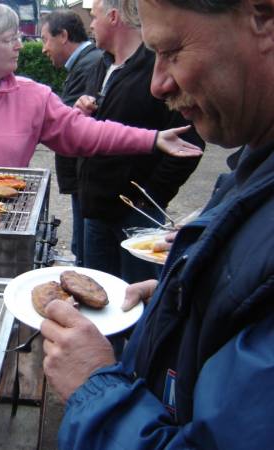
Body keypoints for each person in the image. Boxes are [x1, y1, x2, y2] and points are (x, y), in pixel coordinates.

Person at [41, 0, 274, 448]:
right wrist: (185, 297)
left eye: (171, 50)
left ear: (263, 18)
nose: (158, 83)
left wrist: (94, 387)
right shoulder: (255, 163)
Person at [0, 2, 202, 168]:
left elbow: (85, 133)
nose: (19, 46)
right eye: (9, 39)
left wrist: (151, 139)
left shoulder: (33, 95)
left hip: (3, 218)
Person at [72, 0, 203, 283]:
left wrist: (149, 197)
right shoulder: (100, 64)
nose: (90, 25)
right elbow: (94, 130)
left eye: (94, 17)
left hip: (134, 217)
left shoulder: (157, 69)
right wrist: (82, 111)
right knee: (98, 293)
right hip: (95, 210)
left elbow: (189, 143)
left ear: (114, 17)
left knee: (138, 295)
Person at [40, 9, 102, 266]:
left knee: (86, 253)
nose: (43, 48)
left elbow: (65, 122)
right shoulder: (86, 62)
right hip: (81, 176)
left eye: (45, 39)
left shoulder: (90, 64)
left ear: (63, 35)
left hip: (84, 175)